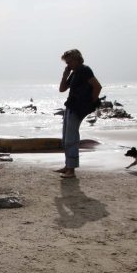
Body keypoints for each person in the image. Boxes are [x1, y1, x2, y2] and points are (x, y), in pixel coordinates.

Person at [56, 49, 102, 178]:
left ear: (77, 59)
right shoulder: (74, 72)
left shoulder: (84, 70)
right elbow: (62, 89)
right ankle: (67, 166)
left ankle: (71, 170)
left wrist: (90, 103)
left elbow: (97, 86)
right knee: (66, 138)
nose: (67, 65)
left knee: (71, 138)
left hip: (78, 108)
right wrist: (65, 74)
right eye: (66, 62)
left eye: (69, 62)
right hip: (70, 106)